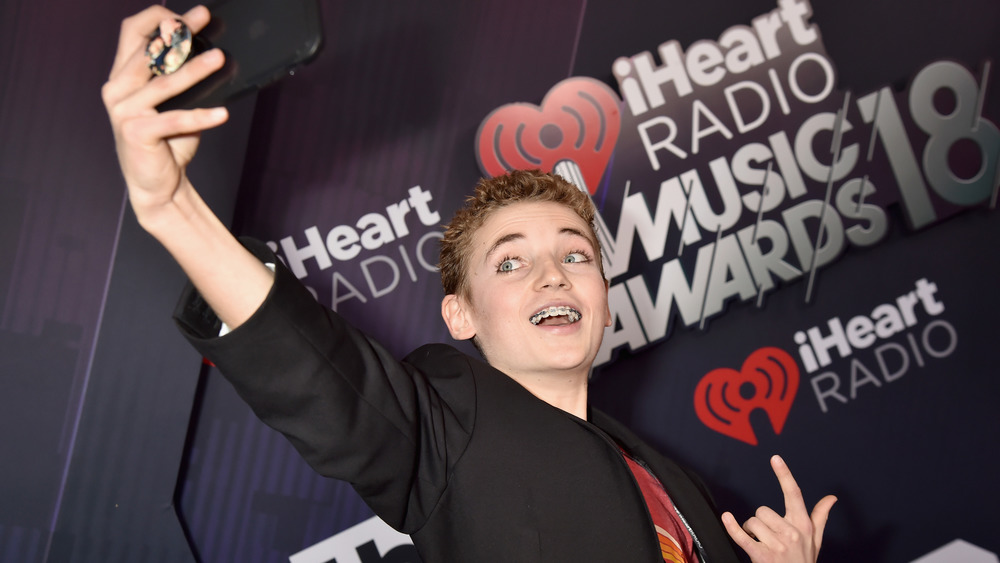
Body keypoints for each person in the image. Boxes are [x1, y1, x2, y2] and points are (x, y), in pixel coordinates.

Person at [104, 5, 837, 562]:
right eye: (510, 261)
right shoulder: (451, 421)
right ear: (460, 315)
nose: (554, 272)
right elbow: (325, 379)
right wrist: (171, 206)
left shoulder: (678, 487)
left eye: (576, 255)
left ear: (606, 300)